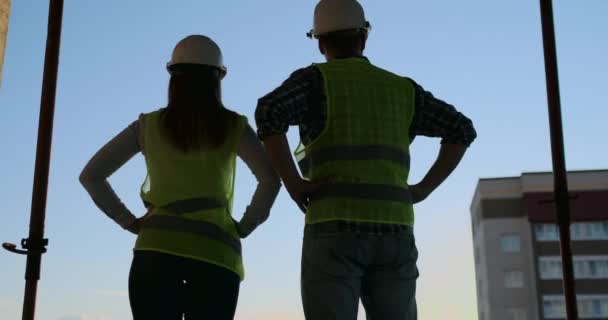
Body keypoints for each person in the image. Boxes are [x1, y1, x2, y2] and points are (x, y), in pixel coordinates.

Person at [255, 1, 477, 319]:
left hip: (333, 226)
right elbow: (461, 130)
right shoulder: (403, 89)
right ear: (364, 37)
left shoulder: (314, 81)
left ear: (320, 42)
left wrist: (293, 184)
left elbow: (268, 111)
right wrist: (422, 189)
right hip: (395, 229)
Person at [80, 35, 281, 320]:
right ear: (217, 79)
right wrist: (245, 226)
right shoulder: (234, 126)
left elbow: (91, 176)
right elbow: (270, 179)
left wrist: (128, 221)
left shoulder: (146, 126)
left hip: (155, 254)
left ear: (173, 78)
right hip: (216, 256)